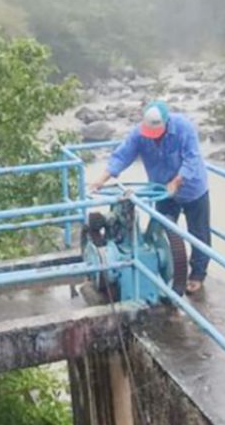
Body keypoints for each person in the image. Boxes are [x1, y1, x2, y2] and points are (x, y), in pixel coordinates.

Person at [90, 101, 211, 294]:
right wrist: (100, 180)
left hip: (191, 189)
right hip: (161, 190)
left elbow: (192, 158)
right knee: (159, 230)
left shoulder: (183, 128)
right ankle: (164, 268)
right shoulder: (139, 134)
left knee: (198, 233)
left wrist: (177, 182)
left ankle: (197, 274)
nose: (154, 138)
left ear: (166, 122)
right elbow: (122, 156)